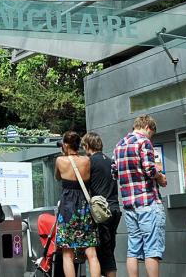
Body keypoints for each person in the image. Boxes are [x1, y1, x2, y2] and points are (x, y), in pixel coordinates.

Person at [112, 115, 168, 277]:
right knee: (152, 248)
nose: (151, 136)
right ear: (148, 127)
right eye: (152, 133)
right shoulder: (144, 142)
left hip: (129, 205)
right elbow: (149, 169)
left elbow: (114, 173)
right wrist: (161, 177)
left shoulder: (119, 145)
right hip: (148, 201)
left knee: (133, 249)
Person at [54, 131, 100, 277]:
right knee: (91, 252)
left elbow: (57, 177)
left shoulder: (60, 160)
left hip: (68, 207)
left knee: (67, 253)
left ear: (66, 145)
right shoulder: (87, 160)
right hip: (84, 206)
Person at [83, 132, 120, 277]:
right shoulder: (110, 161)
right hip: (115, 209)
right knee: (109, 249)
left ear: (87, 146)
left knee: (103, 253)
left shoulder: (90, 162)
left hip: (101, 212)